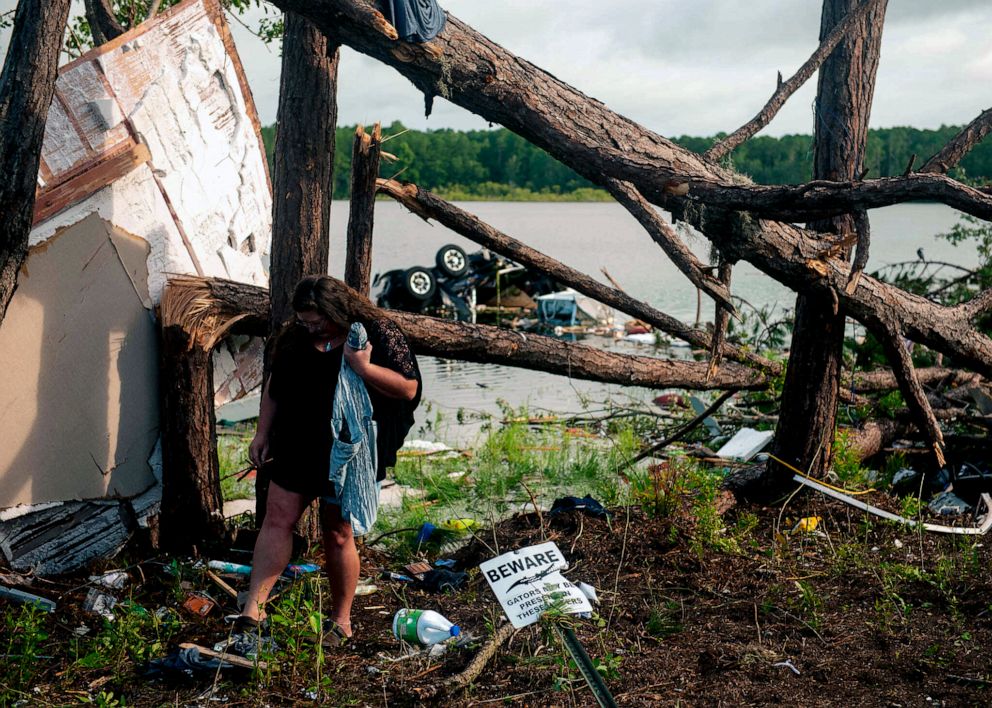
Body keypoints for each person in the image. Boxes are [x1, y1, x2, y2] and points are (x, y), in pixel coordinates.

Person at [231, 275, 421, 651]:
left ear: (338, 310)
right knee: (277, 518)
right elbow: (274, 386)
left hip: (348, 451)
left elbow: (408, 387)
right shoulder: (294, 337)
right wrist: (261, 433)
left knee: (336, 533)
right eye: (305, 320)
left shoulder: (377, 333)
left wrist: (363, 368)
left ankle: (341, 620)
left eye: (317, 320)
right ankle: (254, 610)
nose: (311, 327)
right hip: (297, 443)